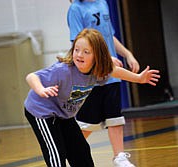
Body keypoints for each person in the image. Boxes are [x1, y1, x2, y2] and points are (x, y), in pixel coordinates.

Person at [24, 28, 160, 167]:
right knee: (56, 153)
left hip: (64, 114)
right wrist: (41, 90)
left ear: (97, 56)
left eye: (86, 52)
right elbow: (32, 76)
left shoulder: (97, 70)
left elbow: (115, 71)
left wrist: (138, 78)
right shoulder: (63, 70)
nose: (79, 55)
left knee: (81, 151)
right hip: (42, 111)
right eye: (76, 50)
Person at [67, 0, 140, 166]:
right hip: (93, 75)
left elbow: (109, 36)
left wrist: (128, 54)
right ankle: (68, 150)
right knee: (87, 123)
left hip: (111, 73)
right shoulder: (76, 9)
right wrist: (103, 59)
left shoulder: (103, 3)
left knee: (115, 117)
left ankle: (119, 157)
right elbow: (79, 44)